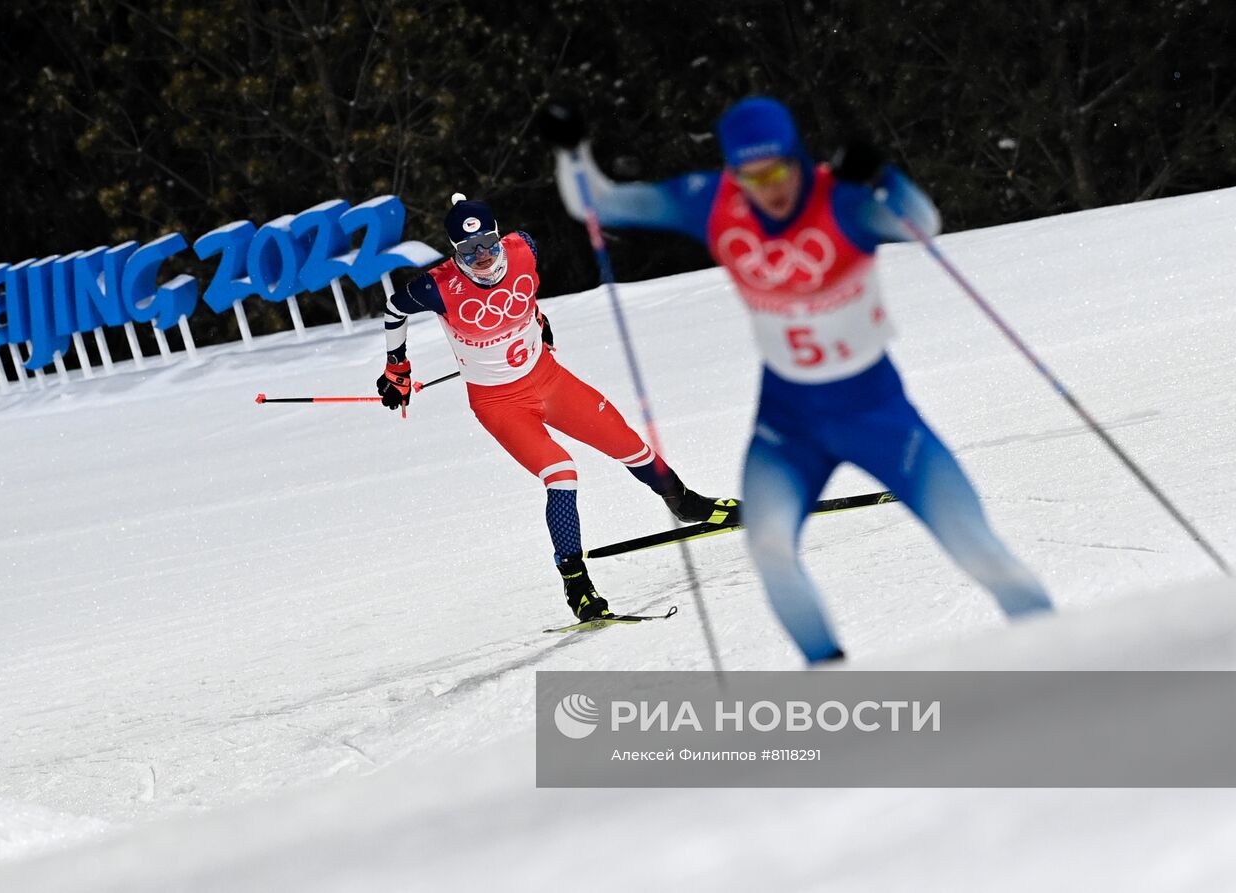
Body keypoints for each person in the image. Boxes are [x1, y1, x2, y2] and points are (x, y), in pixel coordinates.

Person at [541, 97, 1053, 662]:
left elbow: (924, 225)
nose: (770, 187)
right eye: (752, 175)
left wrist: (884, 178)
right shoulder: (716, 203)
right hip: (789, 422)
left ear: (798, 159)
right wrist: (573, 150)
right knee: (769, 547)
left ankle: (1067, 667)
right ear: (734, 173)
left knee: (977, 547)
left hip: (877, 410)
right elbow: (601, 202)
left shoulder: (841, 197)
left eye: (779, 170)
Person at [377, 194, 739, 622]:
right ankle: (577, 583)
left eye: (488, 244)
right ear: (454, 252)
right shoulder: (436, 286)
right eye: (468, 251)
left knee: (629, 444)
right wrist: (396, 367)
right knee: (561, 473)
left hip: (549, 378)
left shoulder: (523, 247)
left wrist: (540, 324)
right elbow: (393, 308)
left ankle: (686, 504)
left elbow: (525, 293)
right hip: (500, 403)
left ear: (498, 235)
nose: (482, 257)